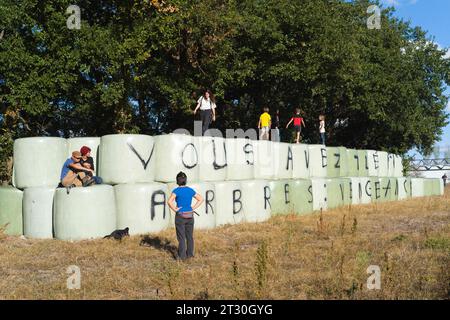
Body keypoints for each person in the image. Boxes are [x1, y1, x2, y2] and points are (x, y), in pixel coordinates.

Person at [168, 172, 204, 261]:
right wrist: (193, 207)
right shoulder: (190, 190)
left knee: (181, 238)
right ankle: (190, 255)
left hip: (180, 216)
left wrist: (175, 209)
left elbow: (169, 201)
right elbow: (201, 199)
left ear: (177, 181)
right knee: (189, 237)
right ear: (185, 180)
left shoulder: (176, 191)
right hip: (190, 216)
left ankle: (182, 257)